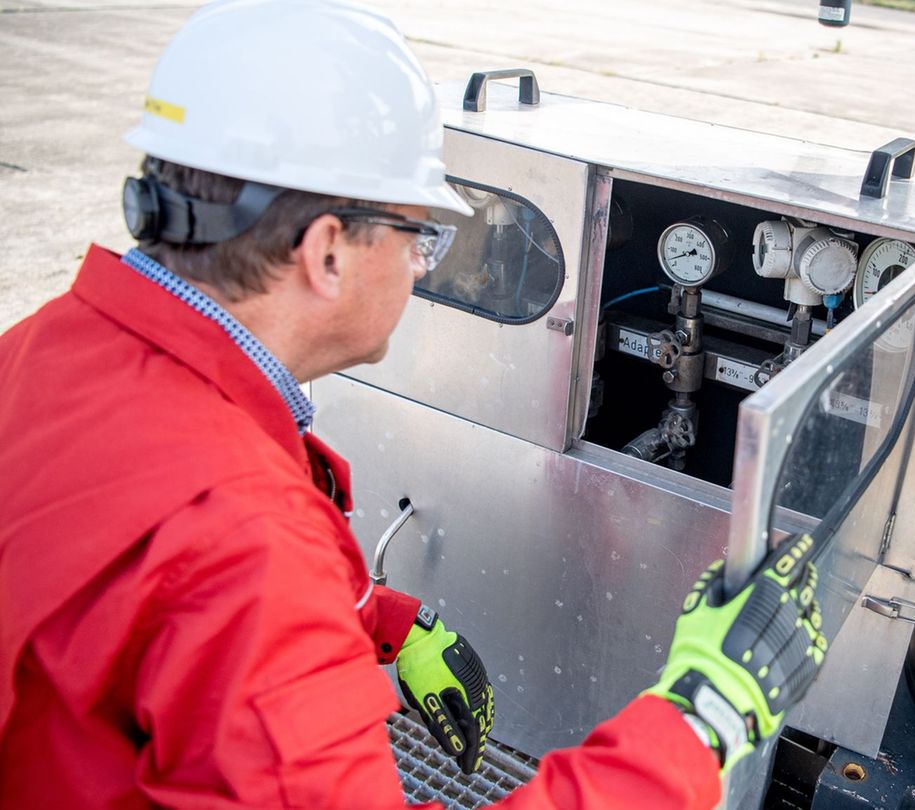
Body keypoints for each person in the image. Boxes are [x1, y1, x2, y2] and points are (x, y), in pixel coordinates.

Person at [0, 1, 828, 808]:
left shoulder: (42, 348)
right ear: (327, 251)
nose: (423, 265)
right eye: (419, 237)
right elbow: (230, 580)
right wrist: (704, 715)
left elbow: (152, 605)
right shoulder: (247, 546)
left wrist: (377, 618)